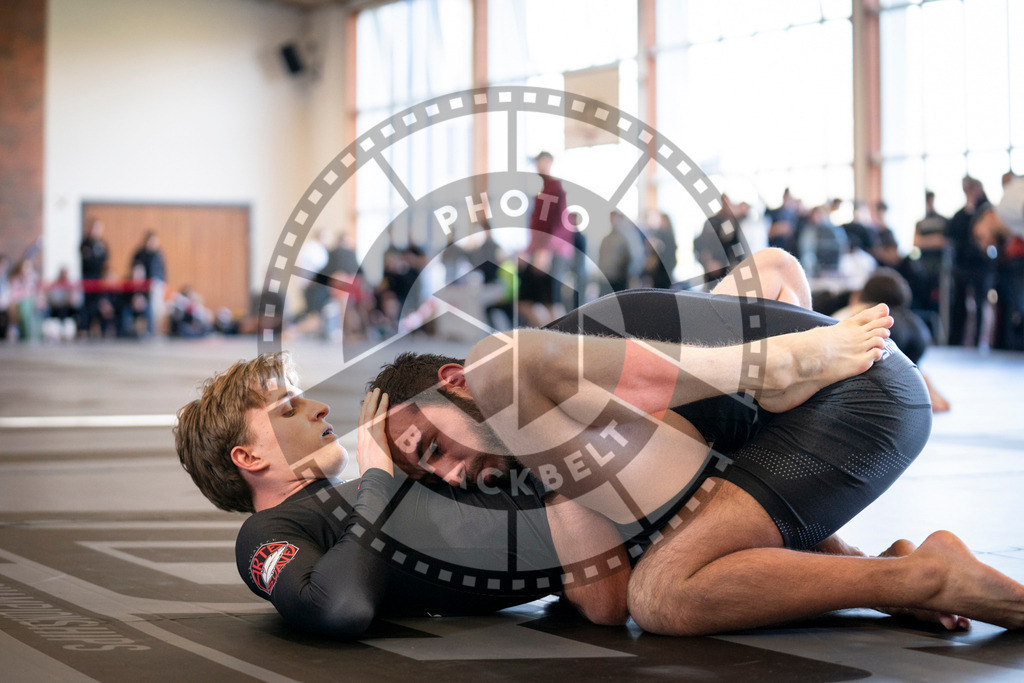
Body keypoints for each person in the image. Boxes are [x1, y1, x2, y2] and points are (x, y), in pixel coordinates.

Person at [368, 247, 1024, 636]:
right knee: (695, 518)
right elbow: (775, 268)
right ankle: (894, 571)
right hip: (836, 400)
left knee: (662, 592)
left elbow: (605, 602)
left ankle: (927, 576)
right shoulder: (574, 388)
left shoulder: (516, 382)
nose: (451, 475)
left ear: (453, 383)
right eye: (430, 474)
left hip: (859, 395)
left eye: (434, 449)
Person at [175, 354, 631, 637]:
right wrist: (376, 475)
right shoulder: (266, 531)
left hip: (608, 479)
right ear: (249, 457)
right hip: (612, 519)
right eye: (289, 410)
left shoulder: (374, 492)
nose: (321, 408)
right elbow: (341, 605)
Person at [80, 219, 109, 337]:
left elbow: (104, 261)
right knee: (86, 305)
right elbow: (87, 261)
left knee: (100, 304)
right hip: (87, 279)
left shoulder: (102, 244)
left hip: (99, 279)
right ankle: (84, 329)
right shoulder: (85, 243)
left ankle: (102, 330)